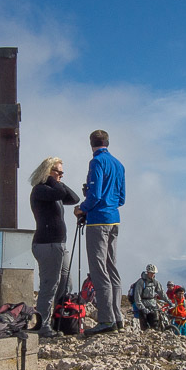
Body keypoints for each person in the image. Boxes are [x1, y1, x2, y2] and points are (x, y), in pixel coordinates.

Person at [78, 130, 126, 334]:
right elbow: (122, 198)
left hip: (98, 221)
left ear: (91, 144)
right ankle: (117, 317)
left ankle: (106, 320)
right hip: (114, 219)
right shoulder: (119, 164)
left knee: (98, 269)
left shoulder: (96, 163)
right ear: (108, 142)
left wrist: (82, 208)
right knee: (111, 266)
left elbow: (95, 195)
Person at [28, 155, 80, 337]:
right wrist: (51, 179)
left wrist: (58, 181)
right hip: (47, 244)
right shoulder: (40, 190)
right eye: (58, 172)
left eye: (62, 173)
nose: (61, 176)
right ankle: (43, 326)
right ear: (47, 171)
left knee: (66, 282)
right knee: (50, 285)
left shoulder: (52, 191)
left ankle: (57, 321)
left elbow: (74, 198)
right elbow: (59, 193)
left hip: (58, 245)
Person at [130, 263, 170, 330]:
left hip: (153, 306)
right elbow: (137, 297)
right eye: (151, 273)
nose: (153, 275)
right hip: (143, 306)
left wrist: (168, 301)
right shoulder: (141, 282)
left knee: (155, 325)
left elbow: (161, 293)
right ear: (147, 272)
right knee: (144, 327)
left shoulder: (155, 282)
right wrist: (142, 308)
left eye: (154, 273)